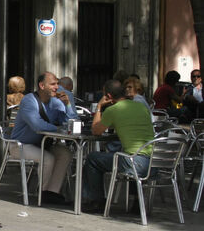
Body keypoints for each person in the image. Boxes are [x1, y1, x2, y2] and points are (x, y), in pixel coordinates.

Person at [82, 79, 154, 213]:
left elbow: (96, 131)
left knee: (92, 158)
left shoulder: (113, 110)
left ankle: (96, 201)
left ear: (108, 97)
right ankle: (137, 202)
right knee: (127, 151)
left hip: (135, 164)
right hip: (154, 163)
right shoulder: (141, 106)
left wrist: (99, 107)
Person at [10, 72, 78, 204]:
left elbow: (71, 123)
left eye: (57, 84)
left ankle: (52, 192)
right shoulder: (29, 100)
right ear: (42, 85)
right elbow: (37, 125)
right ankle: (42, 192)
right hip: (20, 145)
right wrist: (58, 129)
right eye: (53, 84)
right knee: (48, 158)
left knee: (65, 153)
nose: (56, 87)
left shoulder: (56, 103)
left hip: (42, 144)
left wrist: (68, 105)